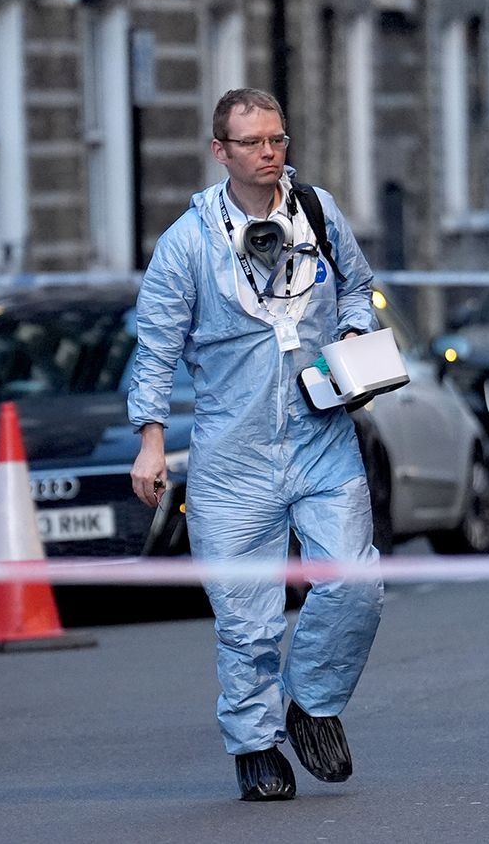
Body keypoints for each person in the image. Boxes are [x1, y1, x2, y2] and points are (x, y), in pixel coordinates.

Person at [127, 88, 384, 801]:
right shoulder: (187, 244)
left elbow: (359, 290)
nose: (270, 153)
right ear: (221, 152)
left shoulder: (321, 214)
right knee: (247, 620)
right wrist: (151, 441)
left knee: (355, 583)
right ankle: (255, 744)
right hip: (232, 457)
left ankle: (313, 704)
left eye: (278, 139)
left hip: (322, 436)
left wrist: (356, 334)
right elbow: (153, 349)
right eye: (253, 143)